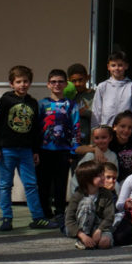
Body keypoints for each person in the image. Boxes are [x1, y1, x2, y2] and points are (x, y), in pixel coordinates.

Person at [0, 65, 52, 231]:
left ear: (30, 83)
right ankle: (6, 218)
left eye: (25, 81)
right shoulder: (5, 100)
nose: (22, 85)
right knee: (5, 185)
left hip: (26, 151)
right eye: (18, 82)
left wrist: (35, 150)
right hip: (7, 150)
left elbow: (35, 130)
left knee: (31, 184)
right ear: (11, 84)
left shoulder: (32, 103)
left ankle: (37, 217)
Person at [38, 68, 81, 225]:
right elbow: (36, 128)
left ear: (65, 84)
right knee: (43, 183)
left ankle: (60, 212)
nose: (57, 84)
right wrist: (35, 150)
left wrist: (73, 150)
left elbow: (76, 127)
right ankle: (45, 211)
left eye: (60, 81)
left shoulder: (71, 105)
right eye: (53, 82)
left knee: (61, 183)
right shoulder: (42, 104)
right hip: (44, 151)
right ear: (48, 84)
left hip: (63, 151)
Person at [64, 162, 115, 249]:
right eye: (100, 176)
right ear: (88, 179)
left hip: (99, 226)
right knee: (87, 202)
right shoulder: (78, 195)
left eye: (103, 174)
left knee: (104, 243)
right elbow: (69, 219)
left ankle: (90, 241)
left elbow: (109, 217)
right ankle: (83, 239)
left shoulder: (106, 194)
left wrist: (99, 230)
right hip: (79, 228)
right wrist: (82, 235)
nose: (103, 178)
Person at [91, 51, 132, 130]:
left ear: (126, 66)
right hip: (106, 130)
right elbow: (96, 111)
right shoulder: (102, 86)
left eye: (120, 65)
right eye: (113, 65)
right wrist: (94, 131)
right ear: (108, 67)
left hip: (126, 131)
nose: (117, 68)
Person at [65, 63, 95, 145]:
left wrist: (84, 113)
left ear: (87, 78)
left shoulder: (94, 95)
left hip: (90, 138)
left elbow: (98, 115)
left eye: (80, 80)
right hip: (72, 138)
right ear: (68, 81)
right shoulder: (69, 96)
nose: (77, 84)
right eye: (74, 81)